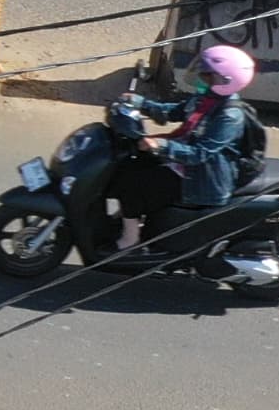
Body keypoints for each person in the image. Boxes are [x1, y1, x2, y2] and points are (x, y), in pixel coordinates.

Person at [107, 43, 258, 253]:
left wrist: (162, 145)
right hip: (182, 161)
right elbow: (176, 111)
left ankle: (130, 240)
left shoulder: (229, 116)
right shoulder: (207, 98)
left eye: (206, 74)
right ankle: (130, 216)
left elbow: (200, 154)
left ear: (224, 81)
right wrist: (141, 103)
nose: (200, 76)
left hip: (200, 179)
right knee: (128, 164)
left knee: (132, 185)